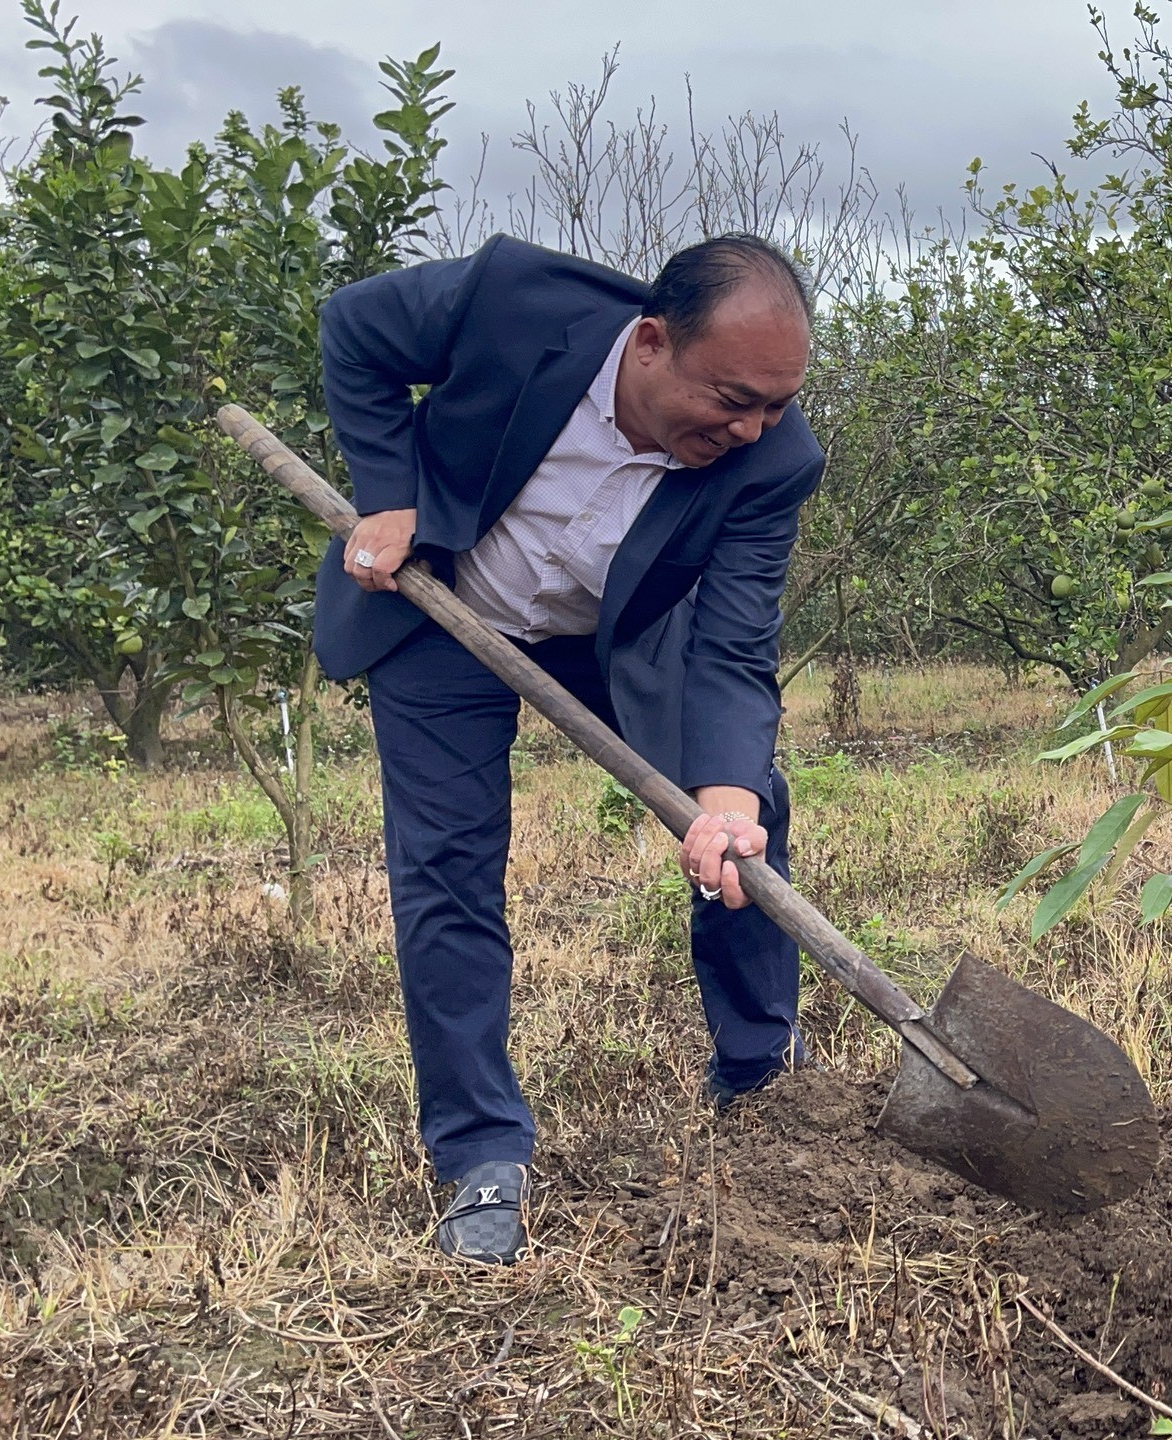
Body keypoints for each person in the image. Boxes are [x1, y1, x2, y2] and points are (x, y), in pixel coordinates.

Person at [315, 232, 824, 1262]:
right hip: (445, 610)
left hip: (614, 636)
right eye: (731, 399)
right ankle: (480, 1154)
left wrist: (723, 801)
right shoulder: (514, 300)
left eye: (774, 404)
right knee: (447, 867)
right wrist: (389, 490)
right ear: (649, 343)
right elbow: (354, 328)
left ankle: (762, 1072)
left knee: (745, 822)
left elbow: (732, 642)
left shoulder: (774, 459)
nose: (752, 427)